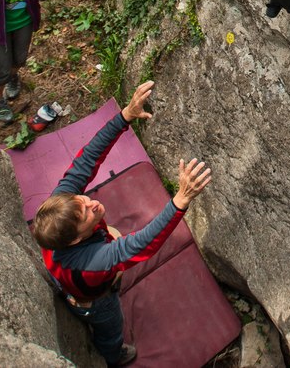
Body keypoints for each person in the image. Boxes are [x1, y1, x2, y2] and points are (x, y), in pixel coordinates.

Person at [32, 80, 212, 368]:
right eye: (85, 214)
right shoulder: (92, 261)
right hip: (94, 299)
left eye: (81, 200)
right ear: (76, 240)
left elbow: (87, 159)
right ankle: (113, 355)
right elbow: (141, 244)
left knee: (100, 235)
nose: (91, 203)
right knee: (110, 327)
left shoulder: (59, 210)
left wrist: (125, 115)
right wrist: (180, 199)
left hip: (67, 275)